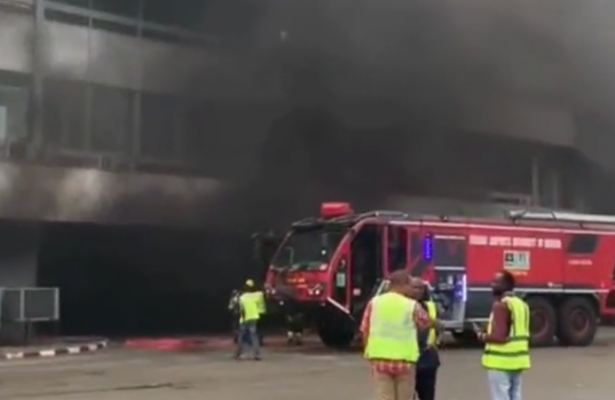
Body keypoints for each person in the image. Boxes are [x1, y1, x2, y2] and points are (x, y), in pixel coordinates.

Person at [361, 271, 430, 400]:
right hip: (405, 361)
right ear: (403, 284)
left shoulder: (374, 303)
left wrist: (368, 352)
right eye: (410, 285)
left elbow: (365, 329)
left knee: (385, 396)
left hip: (379, 359)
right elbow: (424, 324)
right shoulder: (411, 305)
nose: (412, 289)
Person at [477, 270, 530, 400]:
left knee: (500, 396)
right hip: (518, 360)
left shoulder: (500, 305)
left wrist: (482, 336)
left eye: (496, 282)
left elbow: (500, 337)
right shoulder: (522, 305)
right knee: (515, 394)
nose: (492, 284)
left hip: (501, 362)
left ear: (505, 285)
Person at [412, 280, 441, 400]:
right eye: (414, 287)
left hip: (428, 357)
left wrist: (436, 341)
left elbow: (439, 326)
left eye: (421, 288)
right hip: (409, 356)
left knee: (427, 395)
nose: (418, 291)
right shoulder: (403, 306)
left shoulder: (431, 306)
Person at [233, 280, 263, 360]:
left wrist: (242, 318)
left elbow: (241, 309)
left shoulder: (242, 297)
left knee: (241, 336)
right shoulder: (257, 296)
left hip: (245, 318)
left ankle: (238, 353)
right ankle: (257, 355)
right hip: (253, 317)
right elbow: (260, 306)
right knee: (254, 336)